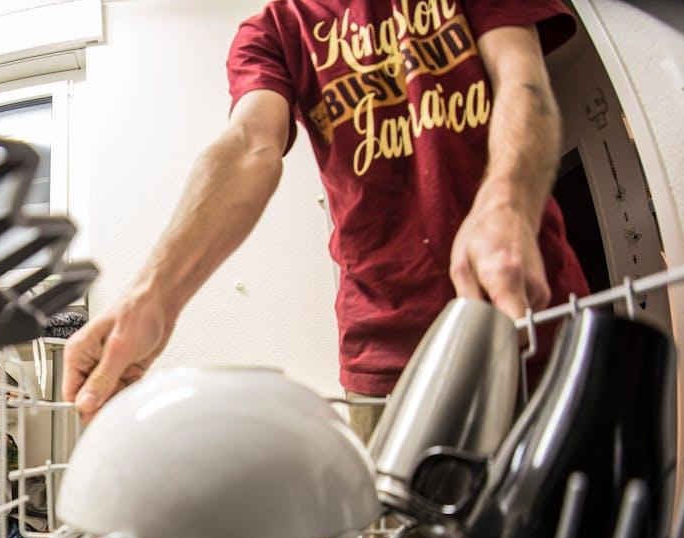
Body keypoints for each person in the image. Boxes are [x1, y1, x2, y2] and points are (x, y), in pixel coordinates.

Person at [62, 1, 590, 434]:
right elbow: (250, 146)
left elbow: (523, 80)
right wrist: (154, 296)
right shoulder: (273, 31)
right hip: (383, 350)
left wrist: (505, 202)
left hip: (527, 308)